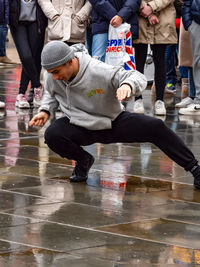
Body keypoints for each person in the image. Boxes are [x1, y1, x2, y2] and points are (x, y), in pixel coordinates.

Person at [28, 41, 200, 189]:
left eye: (57, 72)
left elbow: (135, 76)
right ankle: (83, 160)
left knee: (156, 127)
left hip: (112, 121)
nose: (55, 77)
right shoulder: (52, 76)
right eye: (51, 73)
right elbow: (51, 93)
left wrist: (127, 85)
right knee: (53, 134)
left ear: (71, 61)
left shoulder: (98, 70)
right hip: (79, 124)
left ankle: (195, 169)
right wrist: (45, 110)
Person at [132, 0, 177, 115]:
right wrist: (145, 10)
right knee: (139, 60)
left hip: (162, 18)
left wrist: (151, 7)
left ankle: (160, 100)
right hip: (140, 17)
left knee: (160, 60)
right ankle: (138, 99)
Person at [8, 0, 47, 109]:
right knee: (26, 56)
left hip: (36, 21)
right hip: (17, 21)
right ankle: (37, 86)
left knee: (33, 57)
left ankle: (21, 94)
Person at [177, 0, 200, 115]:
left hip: (194, 18)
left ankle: (197, 100)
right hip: (195, 19)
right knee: (196, 61)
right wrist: (188, 21)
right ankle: (197, 99)